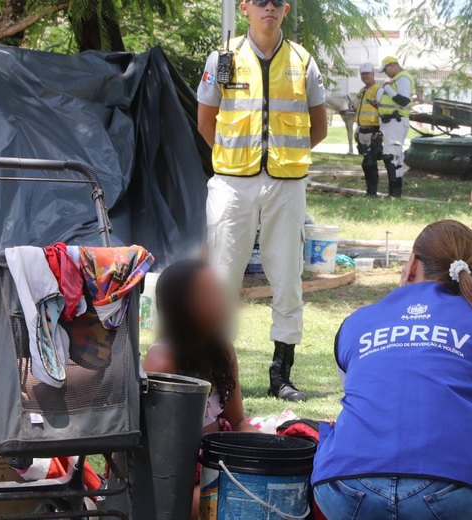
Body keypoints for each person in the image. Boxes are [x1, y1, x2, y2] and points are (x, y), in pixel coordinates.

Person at [312, 220, 472, 520]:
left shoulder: (357, 322)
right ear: (471, 273)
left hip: (344, 486)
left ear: (412, 263)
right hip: (455, 489)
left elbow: (364, 399)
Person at [196, 0, 328, 402]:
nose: (267, 8)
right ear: (245, 8)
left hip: (286, 186)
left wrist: (283, 161)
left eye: (275, 2)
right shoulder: (223, 58)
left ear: (286, 9)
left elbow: (318, 127)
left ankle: (281, 374)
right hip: (233, 185)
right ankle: (213, 373)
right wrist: (234, 159)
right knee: (221, 278)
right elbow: (205, 120)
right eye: (260, 2)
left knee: (287, 278)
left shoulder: (303, 61)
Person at [143, 259, 258, 520]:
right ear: (182, 306)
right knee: (237, 503)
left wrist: (263, 450)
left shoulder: (222, 350)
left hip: (219, 461)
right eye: (208, 294)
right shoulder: (163, 359)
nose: (221, 301)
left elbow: (237, 420)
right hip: (177, 479)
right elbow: (164, 454)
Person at [375, 56, 414, 197]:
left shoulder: (402, 78)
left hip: (395, 121)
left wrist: (387, 88)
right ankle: (394, 193)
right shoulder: (398, 79)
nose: (385, 73)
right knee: (394, 157)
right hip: (391, 122)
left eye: (386, 69)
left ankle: (395, 194)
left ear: (393, 65)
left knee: (391, 157)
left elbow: (403, 100)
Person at [353, 62, 383, 196]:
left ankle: (372, 192)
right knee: (365, 163)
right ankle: (369, 191)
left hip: (373, 131)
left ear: (373, 74)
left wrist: (380, 131)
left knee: (371, 162)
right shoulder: (362, 91)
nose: (365, 76)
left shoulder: (378, 90)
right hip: (362, 130)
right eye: (363, 74)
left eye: (367, 73)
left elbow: (383, 111)